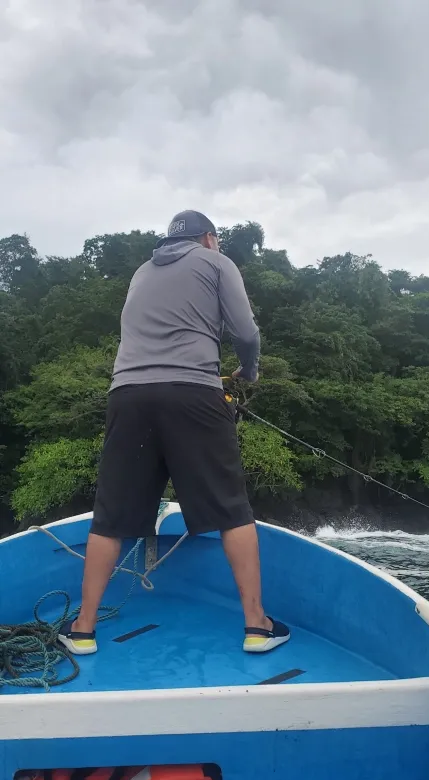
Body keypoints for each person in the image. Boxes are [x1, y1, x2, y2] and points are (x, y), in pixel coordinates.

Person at [59, 210, 290, 657]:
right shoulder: (217, 262)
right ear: (209, 238)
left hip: (127, 397)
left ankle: (83, 629)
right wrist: (250, 369)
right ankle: (257, 626)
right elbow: (244, 330)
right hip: (193, 395)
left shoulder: (141, 272)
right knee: (231, 509)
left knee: (111, 514)